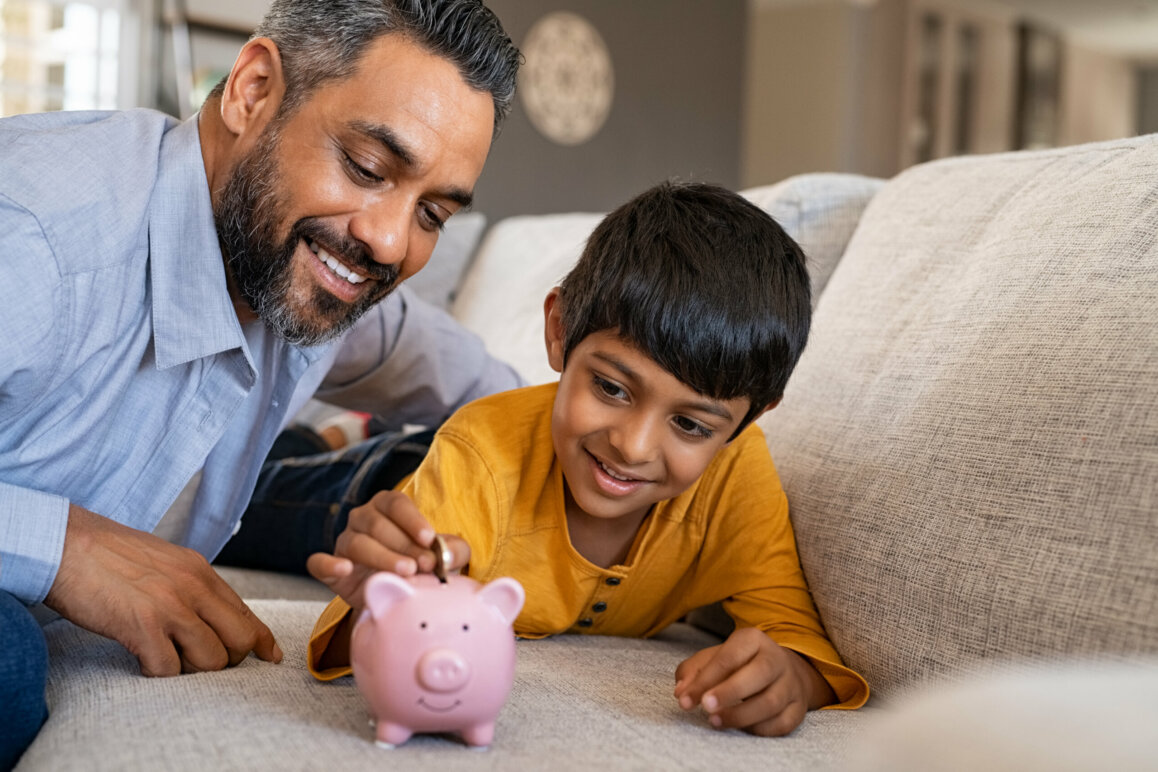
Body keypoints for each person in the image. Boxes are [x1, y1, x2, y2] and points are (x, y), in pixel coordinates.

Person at [0, 0, 521, 767]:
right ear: (251, 91)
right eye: (368, 168)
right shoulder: (34, 236)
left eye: (432, 214)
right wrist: (64, 545)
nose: (389, 242)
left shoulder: (324, 275)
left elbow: (509, 403)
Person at [305, 181, 871, 737]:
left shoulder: (735, 478)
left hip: (455, 454)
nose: (633, 446)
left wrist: (792, 678)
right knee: (281, 492)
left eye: (691, 425)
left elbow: (794, 637)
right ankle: (327, 441)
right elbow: (378, 615)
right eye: (611, 388)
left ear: (748, 421)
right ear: (559, 330)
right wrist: (379, 593)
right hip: (381, 483)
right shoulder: (480, 453)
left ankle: (349, 435)